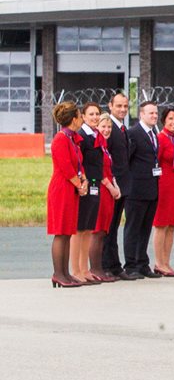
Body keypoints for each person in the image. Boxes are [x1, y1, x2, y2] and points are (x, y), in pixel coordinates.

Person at [47, 101, 87, 288]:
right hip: (62, 188)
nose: (81, 119)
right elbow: (65, 167)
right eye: (80, 116)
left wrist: (83, 181)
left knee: (69, 231)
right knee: (61, 231)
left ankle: (65, 273)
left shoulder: (73, 139)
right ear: (73, 119)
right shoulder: (61, 139)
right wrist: (79, 184)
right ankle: (58, 273)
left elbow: (79, 164)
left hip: (72, 188)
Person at [123, 101, 161, 279]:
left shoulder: (155, 133)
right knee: (133, 228)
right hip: (136, 190)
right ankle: (130, 265)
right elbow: (127, 160)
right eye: (150, 113)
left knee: (145, 228)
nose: (154, 116)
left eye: (155, 113)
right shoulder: (133, 133)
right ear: (142, 115)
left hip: (152, 188)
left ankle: (142, 262)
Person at [102, 92, 136, 279]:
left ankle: (114, 266)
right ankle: (105, 266)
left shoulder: (122, 128)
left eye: (125, 106)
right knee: (107, 228)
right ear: (110, 106)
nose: (122, 109)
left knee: (114, 226)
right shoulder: (108, 128)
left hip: (123, 184)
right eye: (119, 106)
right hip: (112, 185)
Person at [71, 102, 105, 283]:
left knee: (88, 229)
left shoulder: (96, 135)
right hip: (84, 186)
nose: (94, 117)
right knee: (79, 229)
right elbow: (78, 162)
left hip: (95, 185)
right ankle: (75, 270)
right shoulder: (81, 136)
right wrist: (81, 182)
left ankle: (84, 269)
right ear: (83, 117)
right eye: (91, 114)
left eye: (97, 114)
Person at [152, 107, 174, 277]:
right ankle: (158, 262)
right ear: (163, 121)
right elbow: (155, 161)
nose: (173, 122)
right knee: (161, 224)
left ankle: (166, 262)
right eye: (170, 119)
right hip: (164, 185)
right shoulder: (161, 138)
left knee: (172, 225)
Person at [90, 114, 123, 281]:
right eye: (103, 126)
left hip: (109, 190)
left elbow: (110, 170)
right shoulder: (96, 144)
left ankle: (99, 268)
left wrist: (115, 186)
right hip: (102, 190)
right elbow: (98, 170)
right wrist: (111, 187)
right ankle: (96, 269)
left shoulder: (104, 145)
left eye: (109, 127)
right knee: (97, 231)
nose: (106, 130)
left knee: (104, 231)